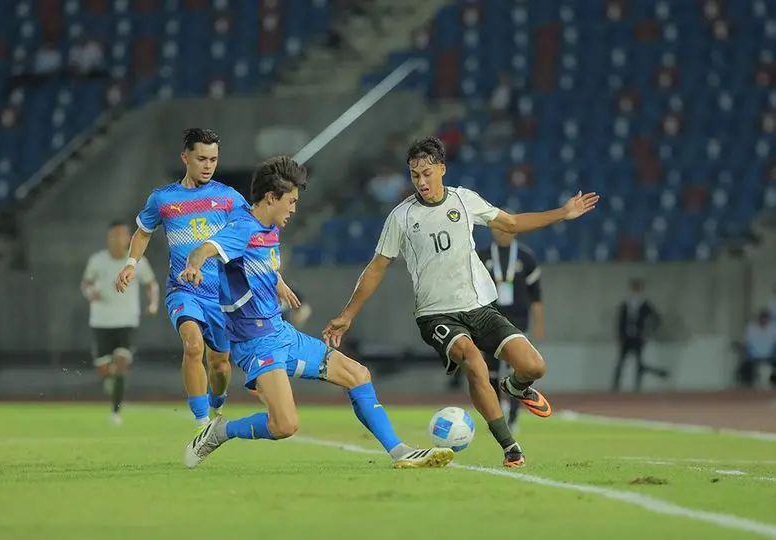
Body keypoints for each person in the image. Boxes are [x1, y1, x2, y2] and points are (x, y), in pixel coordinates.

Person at [322, 136, 598, 468]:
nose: (421, 182)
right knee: (474, 361)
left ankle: (514, 386)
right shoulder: (402, 217)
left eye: (427, 173)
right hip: (435, 315)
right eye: (414, 175)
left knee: (534, 366)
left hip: (479, 307)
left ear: (442, 169)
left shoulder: (464, 200)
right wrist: (347, 315)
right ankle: (510, 446)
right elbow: (377, 267)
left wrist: (563, 213)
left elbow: (510, 223)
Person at [180, 155, 454, 470]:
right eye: (291, 201)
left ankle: (400, 451)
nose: (295, 209)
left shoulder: (267, 227)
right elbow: (206, 248)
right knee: (284, 426)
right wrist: (194, 264)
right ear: (271, 197)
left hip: (281, 332)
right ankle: (220, 431)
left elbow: (254, 259)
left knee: (358, 375)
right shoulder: (242, 227)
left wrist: (278, 282)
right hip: (256, 344)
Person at [114, 128, 299, 435]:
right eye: (201, 158)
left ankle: (217, 401)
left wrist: (276, 279)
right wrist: (131, 264)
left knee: (220, 365)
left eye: (213, 159)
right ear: (185, 158)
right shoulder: (162, 199)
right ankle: (202, 423)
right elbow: (144, 232)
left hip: (221, 298)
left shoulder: (228, 198)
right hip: (184, 290)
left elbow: (253, 237)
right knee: (192, 345)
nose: (208, 165)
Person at [81, 220, 159, 425]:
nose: (117, 239)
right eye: (113, 235)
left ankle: (116, 410)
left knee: (122, 362)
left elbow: (151, 283)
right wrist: (91, 293)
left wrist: (153, 304)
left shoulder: (137, 261)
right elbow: (86, 283)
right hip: (101, 321)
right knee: (104, 370)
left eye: (121, 235)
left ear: (129, 238)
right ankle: (112, 384)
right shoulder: (97, 260)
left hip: (127, 320)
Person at [476, 225, 544, 433]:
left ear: (515, 230)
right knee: (492, 371)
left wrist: (539, 323)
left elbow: (536, 295)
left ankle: (514, 417)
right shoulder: (483, 256)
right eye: (498, 228)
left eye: (506, 228)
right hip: (490, 320)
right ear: (493, 231)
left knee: (520, 370)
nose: (502, 232)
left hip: (519, 321)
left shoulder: (525, 257)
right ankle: (497, 416)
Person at [612, 278, 668, 391]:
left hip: (638, 338)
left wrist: (649, 330)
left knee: (639, 363)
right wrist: (619, 335)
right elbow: (620, 321)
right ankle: (615, 386)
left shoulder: (644, 304)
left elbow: (656, 318)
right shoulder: (626, 304)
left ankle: (637, 386)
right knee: (621, 362)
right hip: (626, 337)